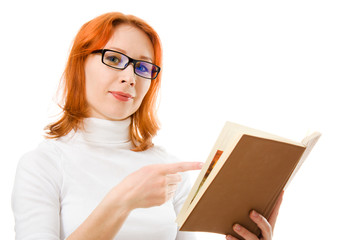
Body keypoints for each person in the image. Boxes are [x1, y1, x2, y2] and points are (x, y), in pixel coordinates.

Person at [11, 12, 283, 240]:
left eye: (143, 67)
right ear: (79, 65)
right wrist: (122, 201)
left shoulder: (170, 170)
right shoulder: (43, 165)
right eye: (114, 59)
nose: (130, 78)